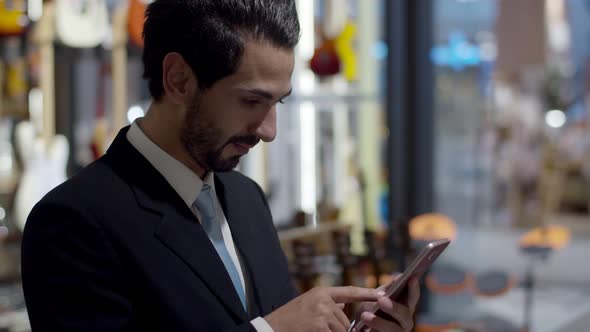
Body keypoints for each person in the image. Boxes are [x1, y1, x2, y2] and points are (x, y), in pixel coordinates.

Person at [21, 1, 420, 331]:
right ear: (178, 80)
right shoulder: (74, 221)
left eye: (277, 102)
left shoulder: (246, 199)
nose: (269, 131)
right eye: (251, 101)